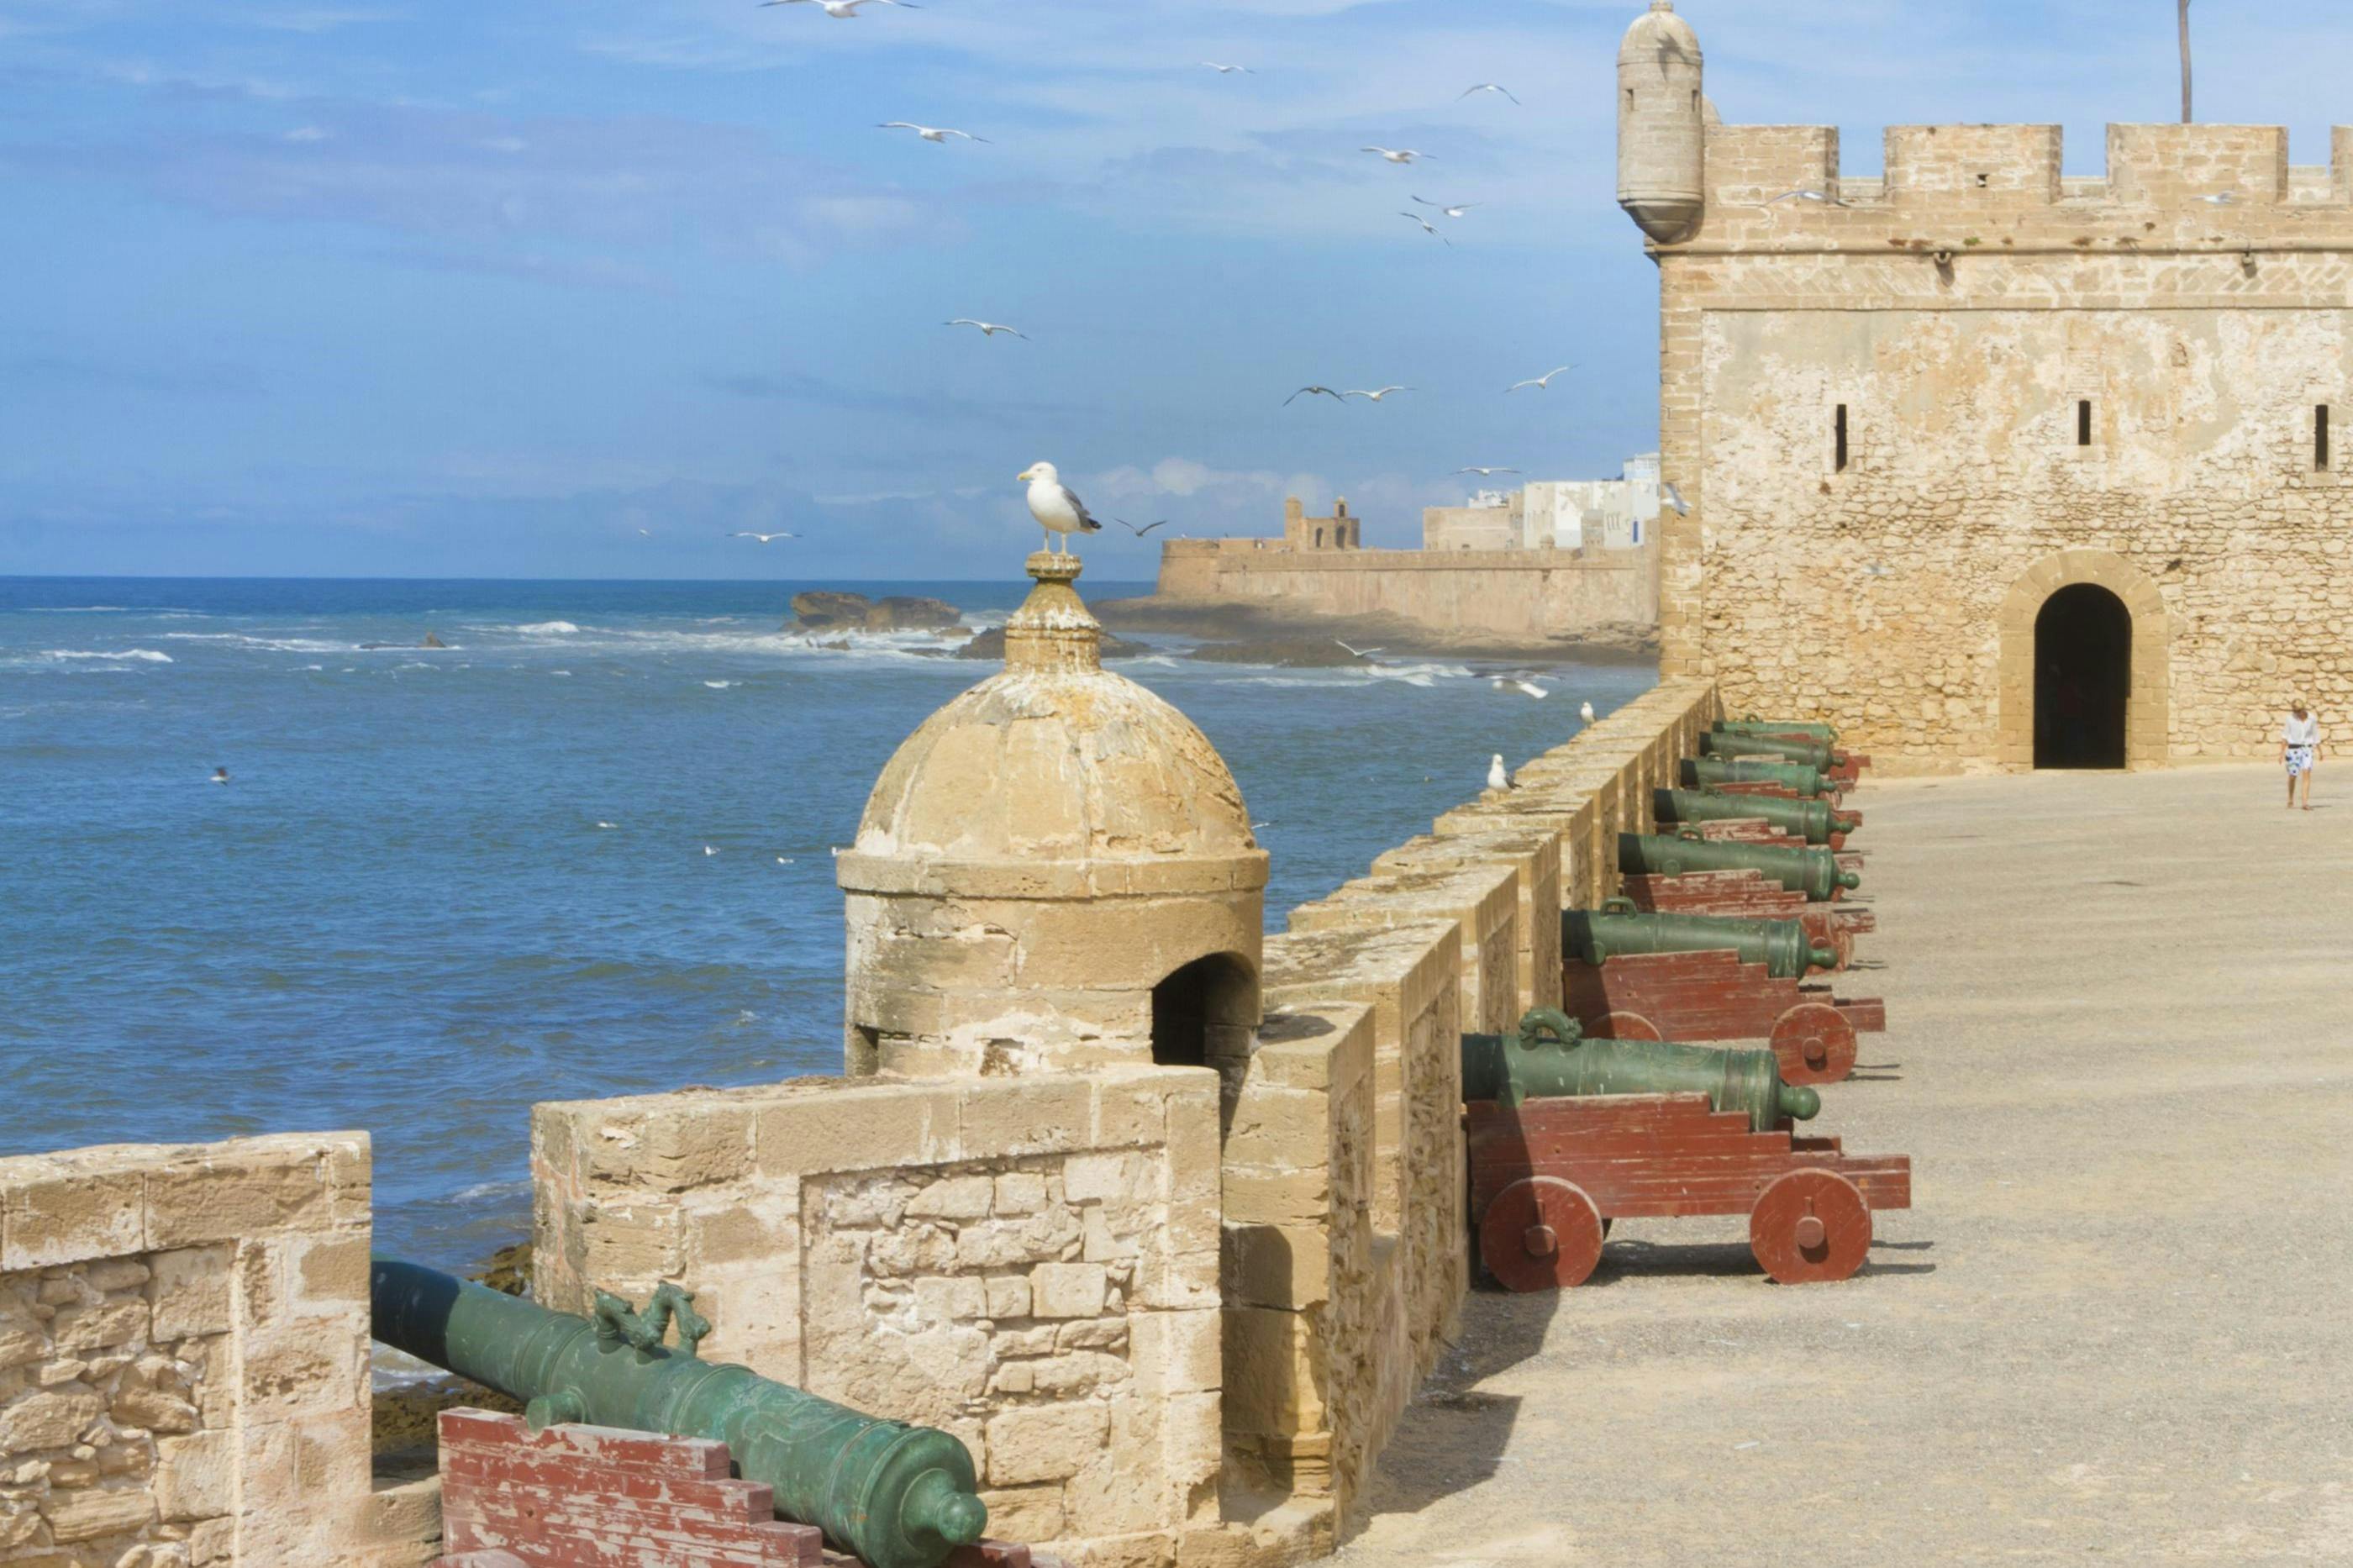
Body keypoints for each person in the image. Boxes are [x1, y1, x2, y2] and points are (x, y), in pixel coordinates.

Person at [2282, 703, 2320, 810]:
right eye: (2295, 712)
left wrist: (2320, 750)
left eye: (2298, 711)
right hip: (2293, 749)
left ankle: (2305, 803)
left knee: (2307, 772)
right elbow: (2285, 735)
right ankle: (2290, 798)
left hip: (2307, 749)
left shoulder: (2312, 718)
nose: (2296, 714)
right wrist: (2281, 754)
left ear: (2303, 709)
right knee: (2293, 775)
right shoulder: (2290, 719)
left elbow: (2315, 734)